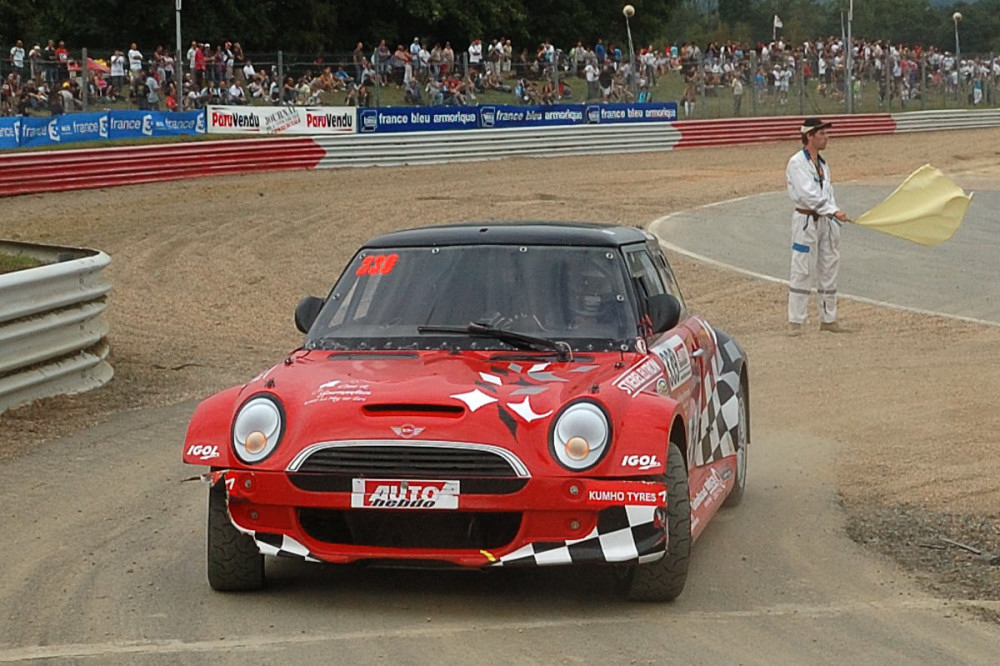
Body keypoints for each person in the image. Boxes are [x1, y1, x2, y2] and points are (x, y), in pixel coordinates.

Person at [785, 118, 852, 336]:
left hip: (826, 222)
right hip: (806, 221)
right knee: (802, 268)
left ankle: (828, 318)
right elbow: (807, 194)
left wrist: (834, 214)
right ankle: (796, 321)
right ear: (810, 136)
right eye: (822, 134)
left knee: (829, 267)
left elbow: (827, 193)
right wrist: (832, 210)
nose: (826, 137)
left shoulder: (823, 165)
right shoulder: (797, 163)